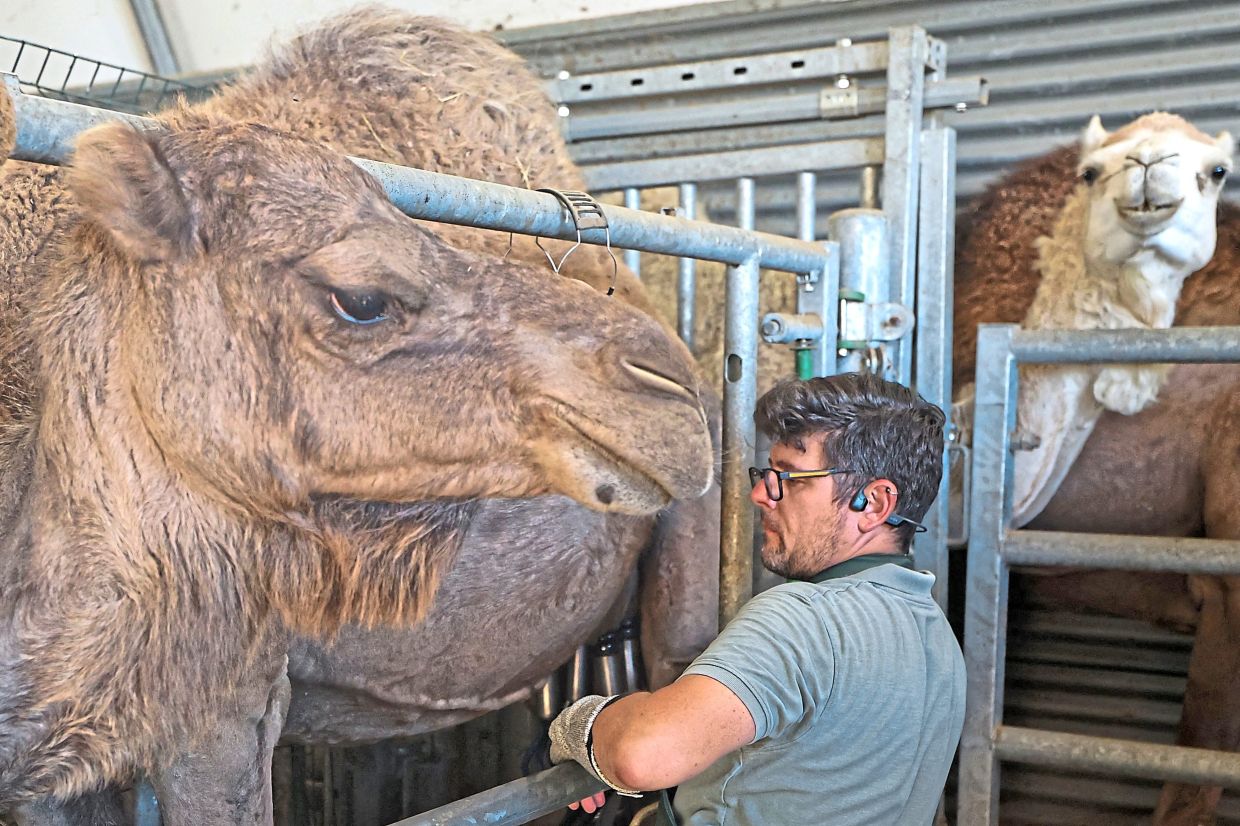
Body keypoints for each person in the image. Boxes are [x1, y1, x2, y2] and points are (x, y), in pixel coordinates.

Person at [547, 372, 966, 825]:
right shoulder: (937, 638)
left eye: (790, 478)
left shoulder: (804, 619)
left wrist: (581, 726)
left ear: (875, 502)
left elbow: (641, 754)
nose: (760, 494)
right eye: (767, 473)